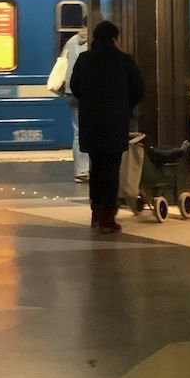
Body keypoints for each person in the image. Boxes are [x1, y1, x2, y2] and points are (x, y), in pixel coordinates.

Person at [69, 20, 144, 235]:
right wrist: (125, 105)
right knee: (111, 170)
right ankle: (108, 217)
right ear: (114, 38)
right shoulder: (124, 61)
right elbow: (139, 89)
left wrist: (90, 102)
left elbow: (75, 87)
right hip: (114, 123)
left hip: (91, 122)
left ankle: (96, 212)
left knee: (96, 168)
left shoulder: (84, 59)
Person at [61, 25, 90, 182]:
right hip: (89, 92)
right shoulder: (93, 42)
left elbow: (63, 63)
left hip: (71, 91)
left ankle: (81, 171)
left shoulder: (71, 41)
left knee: (78, 132)